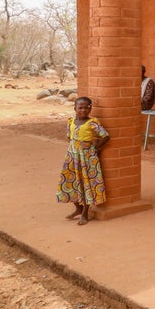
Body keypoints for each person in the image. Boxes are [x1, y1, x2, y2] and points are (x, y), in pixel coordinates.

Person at [56, 96, 109, 225]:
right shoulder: (71, 121)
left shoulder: (92, 123)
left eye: (87, 107)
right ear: (75, 108)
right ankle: (78, 208)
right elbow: (69, 137)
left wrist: (95, 148)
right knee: (70, 181)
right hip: (72, 157)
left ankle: (85, 212)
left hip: (87, 158)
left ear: (90, 109)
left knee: (85, 183)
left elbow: (105, 136)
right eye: (80, 107)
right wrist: (74, 148)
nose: (83, 110)